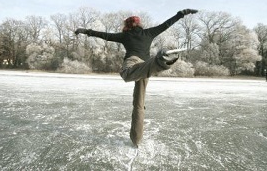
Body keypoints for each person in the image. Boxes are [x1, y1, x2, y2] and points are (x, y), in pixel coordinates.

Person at [75, 9, 198, 146]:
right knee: (139, 105)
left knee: (127, 74)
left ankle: (159, 60)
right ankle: (136, 139)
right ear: (139, 24)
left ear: (127, 25)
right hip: (146, 67)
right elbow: (166, 24)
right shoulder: (148, 32)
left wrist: (85, 31)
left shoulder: (125, 36)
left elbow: (104, 35)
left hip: (134, 63)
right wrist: (181, 14)